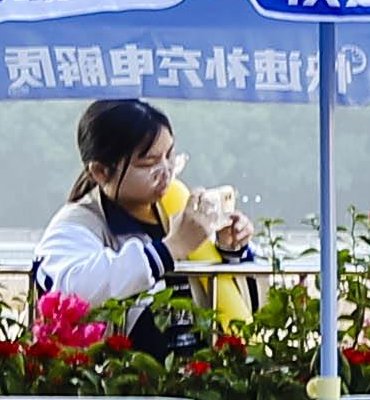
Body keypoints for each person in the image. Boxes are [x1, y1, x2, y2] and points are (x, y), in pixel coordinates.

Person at [31, 92, 251, 333]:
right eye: (149, 164)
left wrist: (230, 252)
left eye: (170, 156)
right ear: (101, 171)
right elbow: (73, 288)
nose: (166, 172)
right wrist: (169, 249)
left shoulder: (176, 209)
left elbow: (239, 310)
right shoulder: (78, 224)